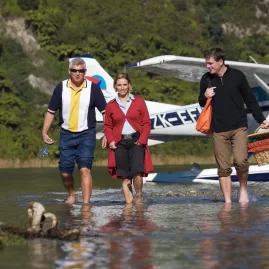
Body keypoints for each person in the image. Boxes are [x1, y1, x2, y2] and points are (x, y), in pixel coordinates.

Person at [199, 48, 269, 204]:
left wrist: (260, 120)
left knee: (241, 161)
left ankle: (243, 190)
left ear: (220, 61)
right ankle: (228, 202)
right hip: (218, 129)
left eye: (210, 63)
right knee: (223, 168)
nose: (207, 67)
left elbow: (250, 100)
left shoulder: (238, 76)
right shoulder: (206, 79)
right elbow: (201, 102)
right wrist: (205, 96)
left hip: (239, 127)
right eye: (207, 63)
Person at [42, 58, 106, 204]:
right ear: (69, 71)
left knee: (84, 169)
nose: (77, 74)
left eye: (80, 71)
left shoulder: (93, 88)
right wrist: (44, 132)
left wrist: (107, 133)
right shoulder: (60, 87)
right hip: (66, 134)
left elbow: (105, 112)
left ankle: (86, 204)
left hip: (87, 133)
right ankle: (71, 194)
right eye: (74, 71)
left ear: (85, 72)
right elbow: (51, 111)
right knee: (65, 172)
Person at [104, 73, 153, 204]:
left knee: (137, 173)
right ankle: (129, 207)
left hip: (136, 141)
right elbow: (107, 126)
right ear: (115, 87)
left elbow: (146, 123)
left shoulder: (139, 101)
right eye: (119, 85)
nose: (122, 87)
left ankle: (139, 196)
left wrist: (142, 141)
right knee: (125, 177)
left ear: (129, 85)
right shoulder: (111, 105)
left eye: (125, 84)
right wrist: (111, 141)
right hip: (120, 143)